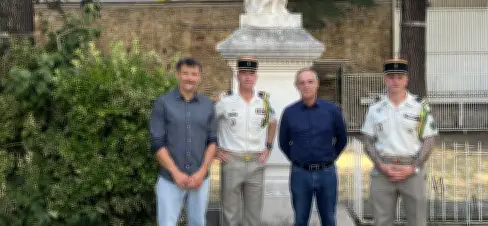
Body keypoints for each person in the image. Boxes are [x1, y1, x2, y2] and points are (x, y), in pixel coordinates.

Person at [360, 59, 439, 226]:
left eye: (399, 77)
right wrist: (381, 165)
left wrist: (414, 167)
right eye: (391, 77)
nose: (395, 81)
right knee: (381, 221)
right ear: (385, 79)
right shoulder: (375, 108)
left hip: (411, 169)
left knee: (417, 221)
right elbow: (367, 141)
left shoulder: (419, 107)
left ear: (406, 80)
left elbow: (429, 140)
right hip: (383, 171)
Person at [149, 57, 217, 226]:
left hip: (199, 179)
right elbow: (157, 142)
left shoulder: (208, 105)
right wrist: (175, 172)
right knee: (167, 223)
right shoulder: (163, 103)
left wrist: (202, 172)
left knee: (197, 222)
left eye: (194, 74)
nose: (189, 78)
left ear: (199, 77)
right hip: (170, 179)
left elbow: (212, 141)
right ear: (178, 74)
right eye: (185, 73)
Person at [278, 68, 348, 226]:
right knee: (300, 220)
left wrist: (329, 157)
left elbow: (342, 139)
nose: (306, 86)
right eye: (302, 83)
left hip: (327, 174)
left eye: (310, 82)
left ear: (317, 84)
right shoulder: (289, 112)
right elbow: (283, 142)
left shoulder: (332, 110)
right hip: (300, 174)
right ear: (297, 86)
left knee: (329, 219)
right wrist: (298, 159)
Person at [214, 56, 278, 226]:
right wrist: (214, 149)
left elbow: (273, 122)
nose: (248, 77)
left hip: (256, 163)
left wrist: (269, 146)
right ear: (238, 76)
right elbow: (207, 124)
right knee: (230, 213)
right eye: (244, 73)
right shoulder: (225, 102)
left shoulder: (263, 101)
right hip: (232, 161)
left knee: (253, 215)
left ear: (256, 76)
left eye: (251, 73)